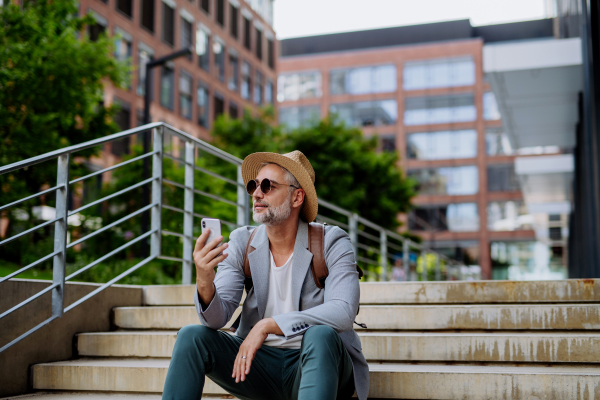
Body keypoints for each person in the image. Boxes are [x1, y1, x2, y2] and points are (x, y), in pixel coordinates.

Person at [162, 150, 369, 400]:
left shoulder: (331, 241)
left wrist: (269, 325)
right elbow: (216, 320)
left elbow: (343, 312)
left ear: (297, 197)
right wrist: (204, 278)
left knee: (321, 334)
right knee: (191, 337)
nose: (257, 193)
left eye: (268, 186)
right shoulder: (242, 241)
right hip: (258, 367)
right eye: (254, 185)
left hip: (317, 363)